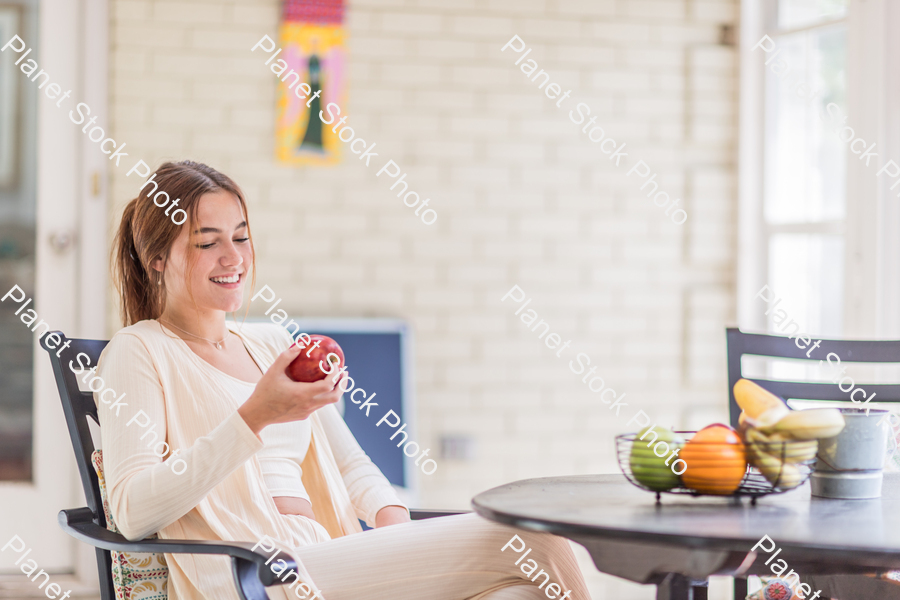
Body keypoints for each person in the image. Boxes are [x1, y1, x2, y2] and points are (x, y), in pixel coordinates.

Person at [96, 160, 591, 600]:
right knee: (535, 539)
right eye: (208, 242)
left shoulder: (272, 343)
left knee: (522, 589)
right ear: (156, 258)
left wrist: (398, 533)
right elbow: (135, 511)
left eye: (242, 236)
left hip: (327, 555)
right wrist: (258, 414)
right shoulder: (140, 351)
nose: (234, 258)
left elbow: (352, 467)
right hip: (253, 575)